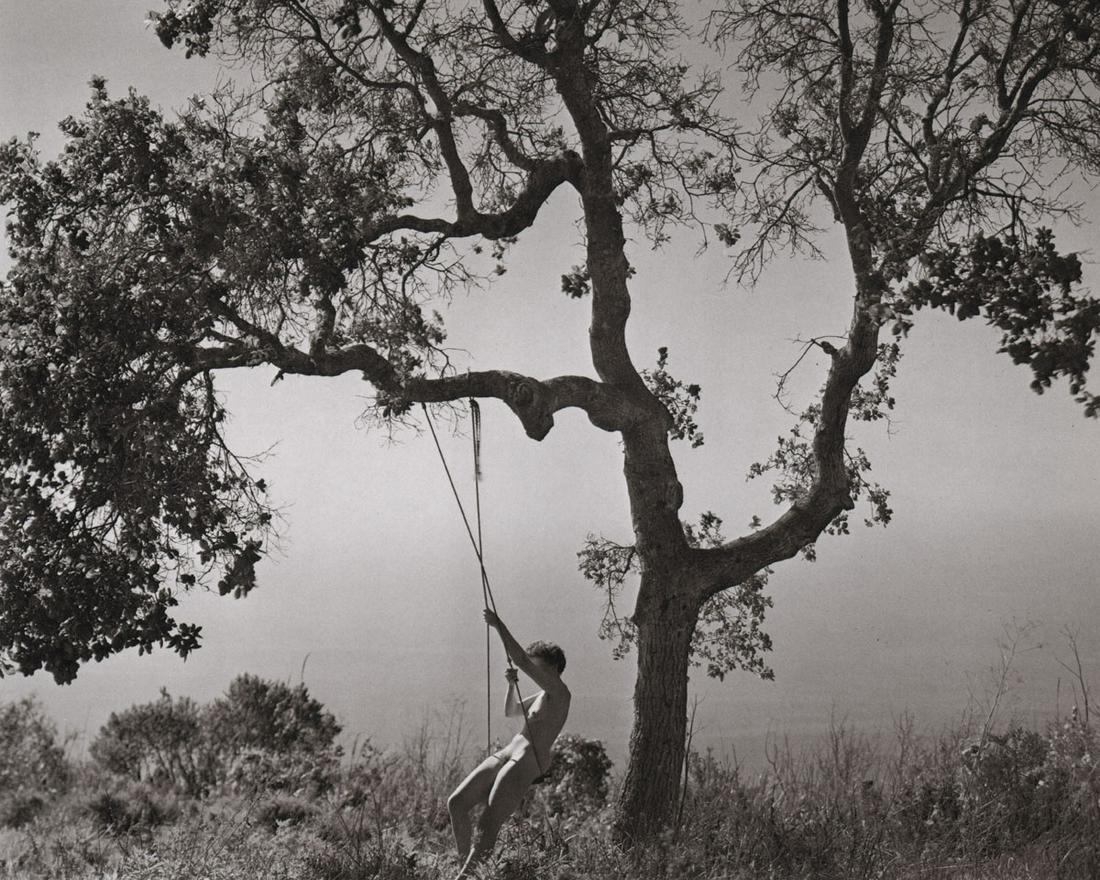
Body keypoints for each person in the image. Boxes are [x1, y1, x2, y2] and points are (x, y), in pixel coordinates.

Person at [447, 609, 570, 878]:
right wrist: (511, 685)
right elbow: (511, 711)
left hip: (528, 759)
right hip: (509, 751)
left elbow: (521, 660)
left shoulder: (560, 693)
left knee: (488, 823)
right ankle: (464, 869)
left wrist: (498, 625)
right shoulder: (541, 695)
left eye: (537, 665)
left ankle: (465, 877)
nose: (532, 670)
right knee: (456, 803)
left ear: (551, 667)